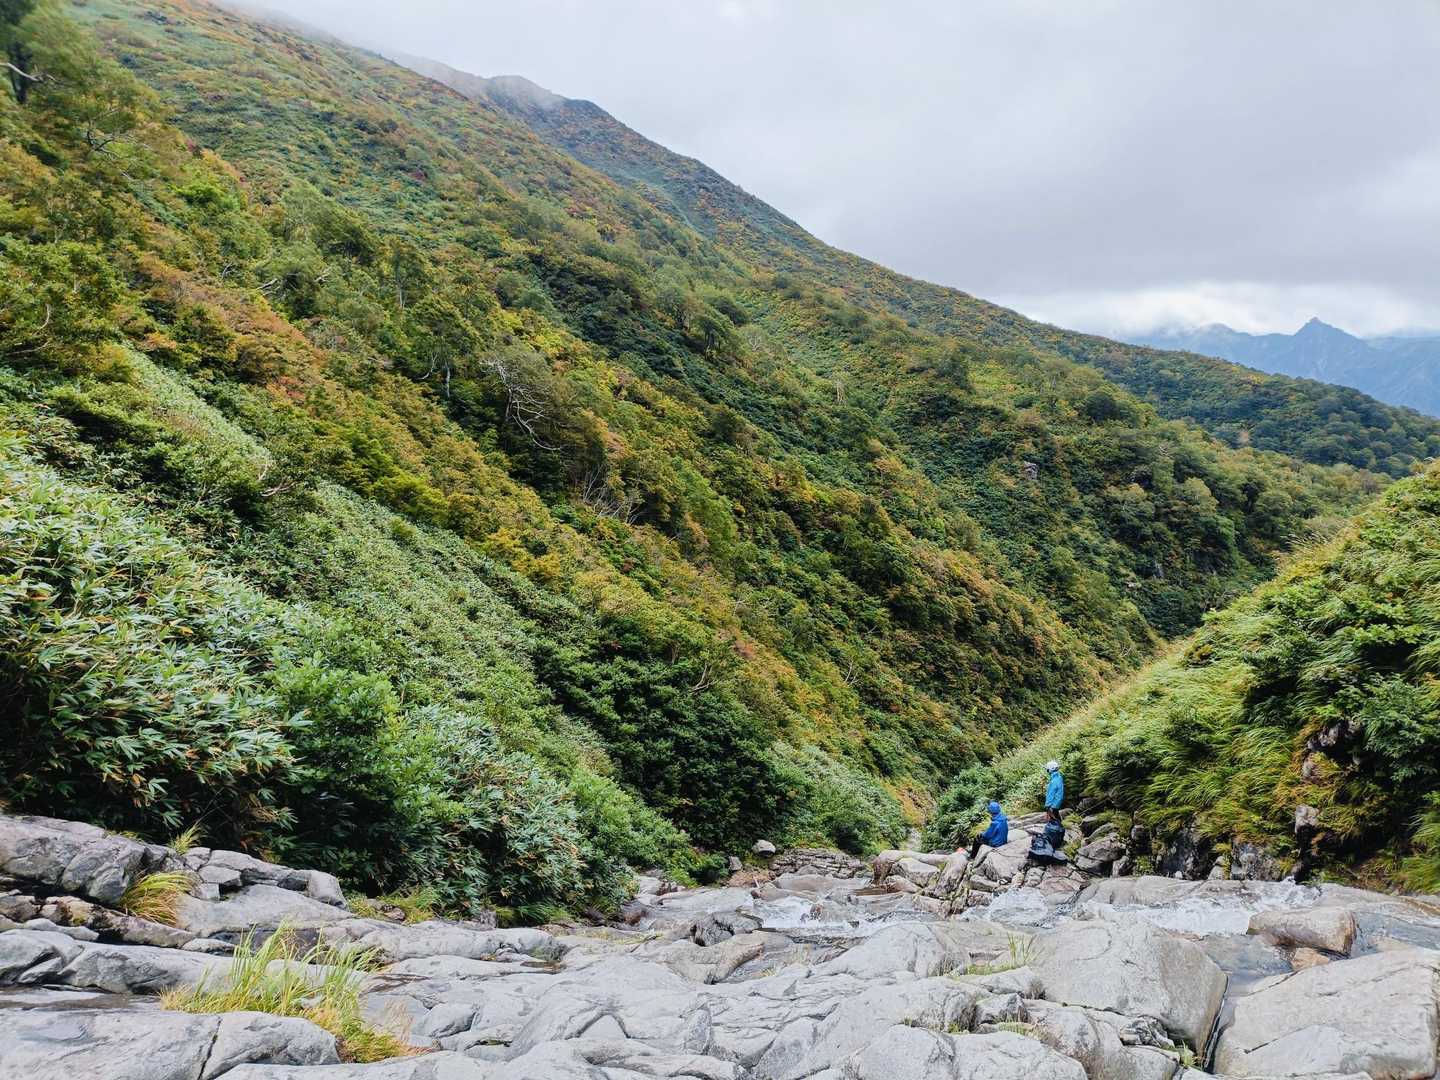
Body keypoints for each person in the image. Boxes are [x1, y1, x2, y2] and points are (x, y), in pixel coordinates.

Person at [1044, 760, 1064, 824]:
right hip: (1056, 803)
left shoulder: (1054, 781)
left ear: (1050, 769)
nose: (1047, 771)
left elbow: (1051, 794)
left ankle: (1059, 829)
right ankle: (1060, 827)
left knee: (1055, 820)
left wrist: (1048, 806)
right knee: (1057, 818)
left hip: (1053, 805)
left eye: (1047, 769)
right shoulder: (1059, 777)